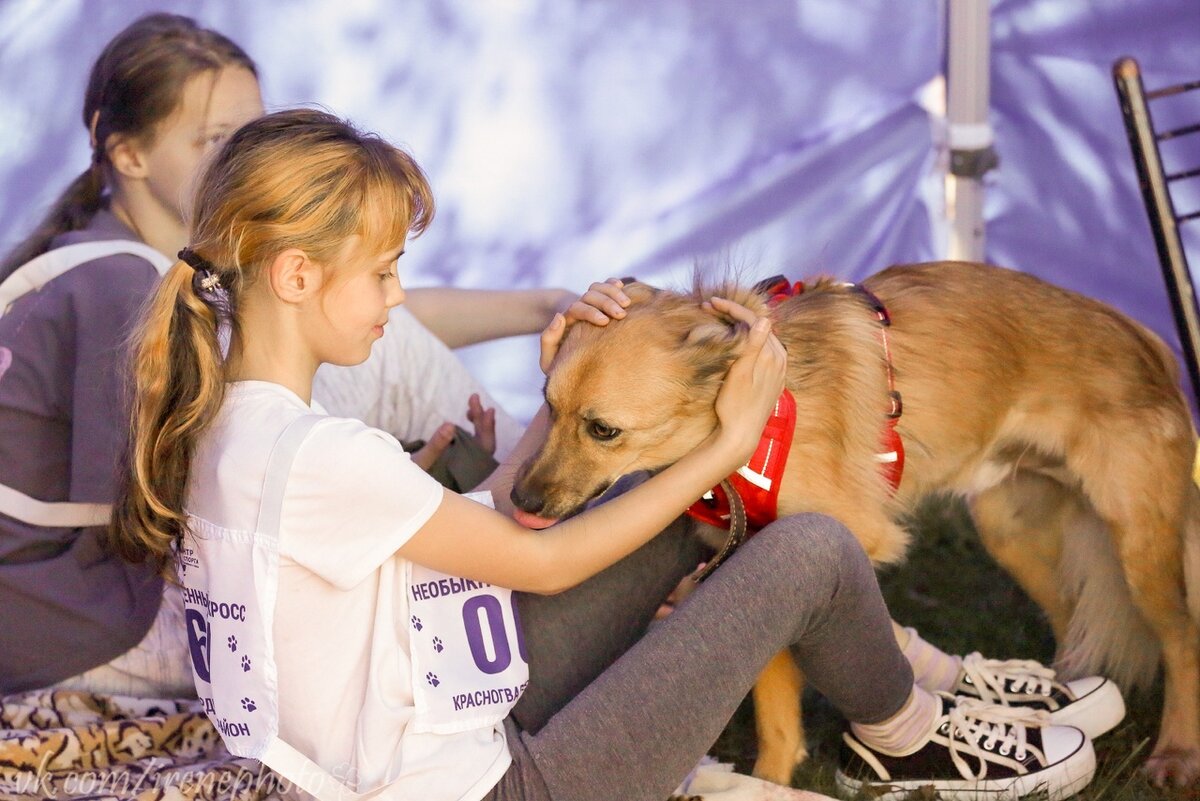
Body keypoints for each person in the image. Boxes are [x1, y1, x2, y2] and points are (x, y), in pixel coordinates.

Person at [108, 108, 1098, 801]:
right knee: (806, 549)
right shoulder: (315, 456)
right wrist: (730, 443)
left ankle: (917, 680)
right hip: (500, 788)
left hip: (442, 722)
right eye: (384, 271)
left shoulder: (248, 432)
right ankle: (910, 740)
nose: (399, 296)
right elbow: (543, 558)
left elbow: (492, 523)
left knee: (692, 525)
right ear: (295, 275)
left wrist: (562, 392)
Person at [0, 13, 562, 697]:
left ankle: (527, 496)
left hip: (89, 598)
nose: (240, 152)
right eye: (213, 138)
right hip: (86, 623)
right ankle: (541, 516)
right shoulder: (119, 287)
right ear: (128, 154)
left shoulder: (155, 261)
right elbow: (162, 527)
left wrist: (543, 307)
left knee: (363, 351)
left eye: (250, 129)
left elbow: (372, 308)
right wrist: (351, 501)